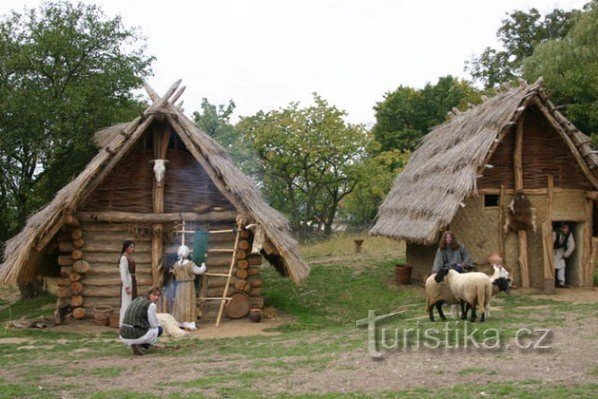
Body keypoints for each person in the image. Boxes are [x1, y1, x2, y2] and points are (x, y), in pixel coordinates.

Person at [119, 286, 163, 356]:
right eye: (154, 295)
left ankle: (137, 345)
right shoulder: (151, 305)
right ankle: (141, 346)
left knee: (149, 328)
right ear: (149, 294)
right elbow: (153, 325)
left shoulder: (136, 300)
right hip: (136, 334)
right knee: (160, 329)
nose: (157, 298)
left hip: (123, 334)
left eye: (158, 295)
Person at [172, 245, 206, 330]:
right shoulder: (190, 264)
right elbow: (199, 271)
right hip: (188, 286)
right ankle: (189, 324)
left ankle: (180, 322)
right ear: (187, 253)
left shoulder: (176, 264)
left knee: (180, 304)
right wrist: (203, 265)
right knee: (188, 303)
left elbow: (175, 273)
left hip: (179, 287)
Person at [118, 240, 137, 325]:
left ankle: (129, 322)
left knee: (131, 302)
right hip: (128, 282)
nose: (133, 249)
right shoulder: (124, 258)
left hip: (132, 280)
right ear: (126, 248)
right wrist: (126, 286)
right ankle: (124, 323)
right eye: (131, 247)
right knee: (126, 302)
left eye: (133, 247)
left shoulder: (129, 257)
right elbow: (123, 273)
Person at [553, 222, 575, 288]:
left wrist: (565, 255)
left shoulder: (569, 234)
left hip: (560, 251)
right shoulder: (554, 233)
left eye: (567, 228)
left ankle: (561, 283)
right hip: (552, 250)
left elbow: (572, 246)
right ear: (560, 228)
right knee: (551, 265)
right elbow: (549, 243)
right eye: (564, 228)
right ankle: (552, 282)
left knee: (562, 265)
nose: (566, 230)